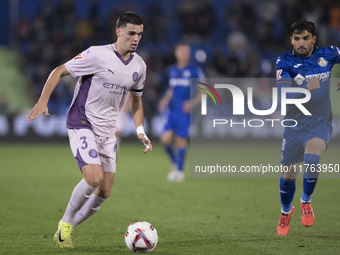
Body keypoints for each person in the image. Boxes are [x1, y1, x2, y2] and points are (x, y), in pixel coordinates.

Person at [27, 11, 152, 248]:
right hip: (82, 121)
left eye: (140, 34)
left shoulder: (139, 66)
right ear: (118, 31)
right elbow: (59, 70)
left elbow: (136, 100)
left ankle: (66, 229)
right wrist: (43, 100)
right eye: (131, 33)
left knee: (105, 190)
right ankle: (65, 223)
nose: (136, 38)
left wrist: (140, 130)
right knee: (94, 178)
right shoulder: (97, 54)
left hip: (108, 129)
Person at [276, 19, 340, 235]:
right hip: (294, 125)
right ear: (291, 40)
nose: (300, 43)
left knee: (312, 159)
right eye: (296, 39)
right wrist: (304, 86)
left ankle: (306, 201)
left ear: (314, 39)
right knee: (288, 176)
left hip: (319, 123)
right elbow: (284, 93)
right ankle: (286, 212)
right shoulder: (283, 61)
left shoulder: (329, 54)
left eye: (305, 38)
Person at [158, 43, 204, 182]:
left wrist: (192, 103)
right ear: (176, 53)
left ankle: (180, 171)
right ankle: (175, 163)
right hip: (172, 110)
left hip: (184, 111)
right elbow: (171, 89)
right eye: (181, 51)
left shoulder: (195, 71)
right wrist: (165, 100)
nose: (183, 54)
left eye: (186, 52)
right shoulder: (171, 70)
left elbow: (204, 92)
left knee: (180, 140)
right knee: (165, 139)